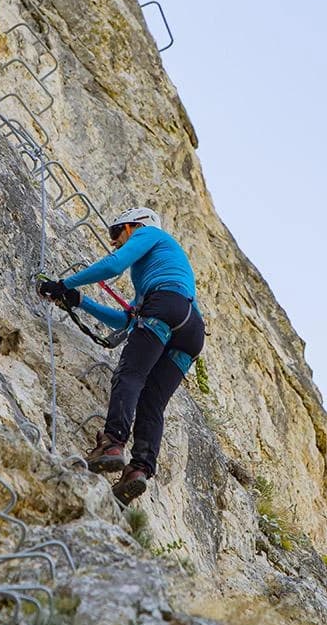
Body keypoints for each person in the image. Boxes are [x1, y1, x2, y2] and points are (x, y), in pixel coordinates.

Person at [37, 207, 205, 504]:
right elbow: (126, 321)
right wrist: (80, 301)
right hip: (190, 330)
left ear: (132, 226)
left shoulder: (150, 233)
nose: (114, 241)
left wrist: (64, 284)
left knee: (131, 375)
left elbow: (115, 266)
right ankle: (138, 470)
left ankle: (113, 444)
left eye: (116, 232)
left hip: (166, 308)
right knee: (152, 403)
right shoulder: (158, 275)